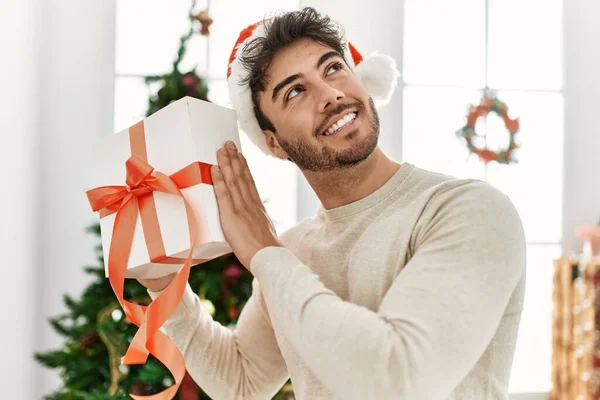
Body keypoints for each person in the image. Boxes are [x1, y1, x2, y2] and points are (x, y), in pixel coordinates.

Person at [139, 7, 526, 400]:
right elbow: (243, 383)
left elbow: (398, 380)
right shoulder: (293, 250)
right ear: (273, 143)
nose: (330, 95)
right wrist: (165, 285)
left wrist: (263, 252)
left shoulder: (470, 210)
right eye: (295, 91)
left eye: (334, 69)